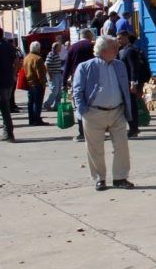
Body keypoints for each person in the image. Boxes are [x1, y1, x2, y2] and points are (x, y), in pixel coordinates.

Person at [72, 35, 134, 192]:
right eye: (115, 47)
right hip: (94, 113)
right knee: (95, 148)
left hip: (117, 111)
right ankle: (100, 179)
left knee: (122, 145)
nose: (117, 49)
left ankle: (120, 177)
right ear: (104, 50)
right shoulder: (85, 67)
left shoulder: (119, 65)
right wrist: (83, 111)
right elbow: (77, 91)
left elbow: (124, 88)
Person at [63, 29, 96, 142]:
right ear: (88, 36)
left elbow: (67, 65)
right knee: (94, 104)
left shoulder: (73, 47)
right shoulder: (92, 46)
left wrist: (63, 82)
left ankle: (82, 132)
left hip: (77, 79)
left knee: (79, 104)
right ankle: (95, 130)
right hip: (92, 79)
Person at [116, 31, 149, 137]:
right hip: (124, 82)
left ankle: (134, 128)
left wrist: (133, 83)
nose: (118, 40)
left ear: (126, 37)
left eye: (120, 38)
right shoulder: (122, 50)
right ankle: (132, 127)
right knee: (128, 105)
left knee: (132, 106)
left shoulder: (130, 51)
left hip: (130, 83)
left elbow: (133, 68)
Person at [23, 41, 49, 126]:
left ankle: (31, 120)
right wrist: (43, 83)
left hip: (29, 83)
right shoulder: (38, 59)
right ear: (38, 49)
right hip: (37, 84)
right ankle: (37, 119)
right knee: (37, 103)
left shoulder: (26, 58)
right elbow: (40, 74)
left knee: (31, 103)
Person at [43, 41, 64, 111]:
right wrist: (49, 75)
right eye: (59, 47)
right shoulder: (51, 54)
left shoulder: (57, 54)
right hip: (53, 75)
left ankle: (57, 106)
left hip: (58, 74)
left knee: (59, 92)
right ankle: (47, 104)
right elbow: (46, 65)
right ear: (56, 48)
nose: (61, 48)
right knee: (54, 91)